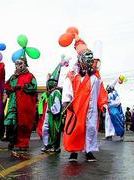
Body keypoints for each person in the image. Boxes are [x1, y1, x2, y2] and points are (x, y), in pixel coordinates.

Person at [61, 29, 108, 162]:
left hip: (91, 108)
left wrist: (103, 104)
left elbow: (101, 91)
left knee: (91, 128)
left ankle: (89, 151)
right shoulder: (72, 74)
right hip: (76, 107)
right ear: (80, 59)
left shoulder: (95, 76)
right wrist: (66, 102)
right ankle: (74, 152)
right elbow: (67, 88)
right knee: (75, 128)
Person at [4, 36, 38, 152]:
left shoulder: (30, 76)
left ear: (25, 64)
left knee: (23, 124)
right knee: (10, 122)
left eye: (20, 64)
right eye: (16, 64)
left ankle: (22, 143)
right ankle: (12, 140)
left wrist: (21, 87)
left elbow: (33, 87)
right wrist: (9, 89)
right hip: (14, 102)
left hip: (24, 104)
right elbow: (7, 86)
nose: (18, 66)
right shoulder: (13, 76)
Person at [41, 56, 69, 153]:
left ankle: (55, 146)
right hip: (49, 114)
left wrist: (52, 111)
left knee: (54, 131)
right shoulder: (50, 93)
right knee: (45, 129)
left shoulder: (56, 92)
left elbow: (57, 105)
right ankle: (46, 144)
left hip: (54, 115)